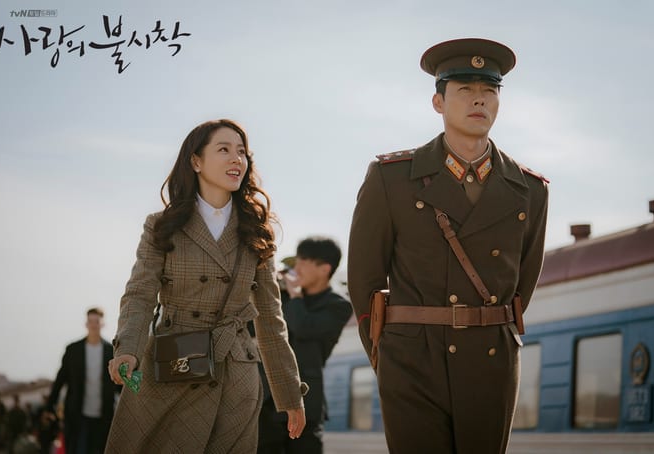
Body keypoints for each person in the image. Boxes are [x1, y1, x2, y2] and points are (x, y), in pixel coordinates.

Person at [347, 38, 549, 453]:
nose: (479, 100)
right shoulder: (390, 178)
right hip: (412, 360)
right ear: (438, 102)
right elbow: (364, 279)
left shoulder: (530, 189)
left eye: (489, 90)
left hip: (491, 359)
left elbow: (522, 286)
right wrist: (390, 351)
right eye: (465, 90)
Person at [105, 119, 306, 453]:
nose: (236, 159)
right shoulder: (162, 226)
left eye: (241, 152)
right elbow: (140, 293)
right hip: (174, 363)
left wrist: (290, 394)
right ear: (196, 161)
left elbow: (271, 318)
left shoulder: (256, 231)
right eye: (224, 149)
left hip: (236, 372)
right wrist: (127, 349)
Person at [257, 237, 353, 454]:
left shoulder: (338, 305)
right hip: (267, 400)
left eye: (303, 261)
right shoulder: (281, 297)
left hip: (306, 403)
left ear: (324, 269)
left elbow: (304, 328)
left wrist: (295, 296)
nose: (296, 268)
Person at [45, 307, 120, 454]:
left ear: (102, 324)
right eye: (90, 321)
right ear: (86, 324)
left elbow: (118, 383)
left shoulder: (111, 352)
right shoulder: (73, 350)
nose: (93, 325)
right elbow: (60, 380)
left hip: (104, 415)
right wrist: (49, 406)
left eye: (96, 321)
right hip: (77, 415)